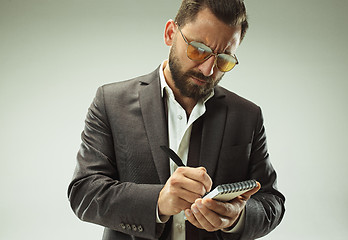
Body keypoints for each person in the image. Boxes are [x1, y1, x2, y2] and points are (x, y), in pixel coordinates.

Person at [68, 0, 285, 239]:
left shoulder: (247, 115)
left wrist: (237, 217)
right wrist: (158, 201)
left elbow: (272, 202)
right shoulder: (110, 101)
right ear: (171, 33)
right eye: (199, 50)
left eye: (223, 59)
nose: (208, 70)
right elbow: (84, 192)